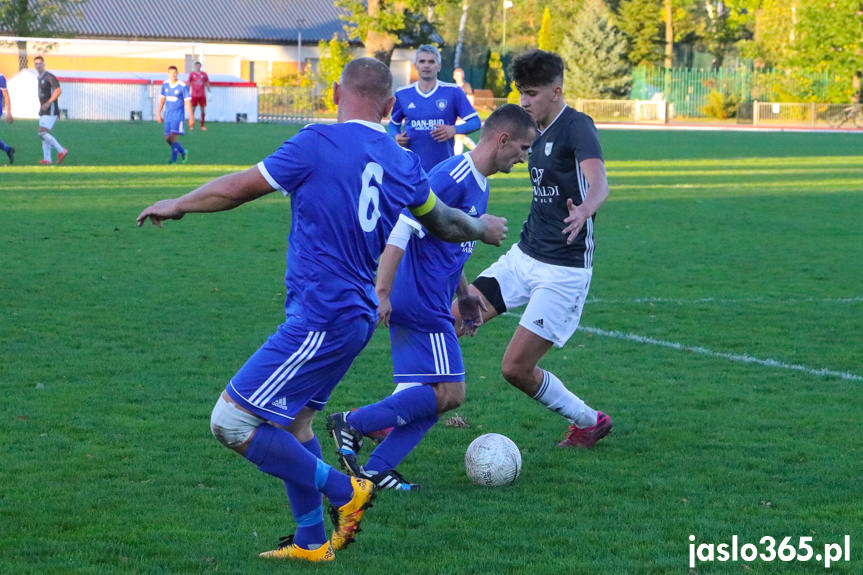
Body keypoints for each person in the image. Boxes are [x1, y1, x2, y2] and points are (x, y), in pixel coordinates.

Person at [137, 57, 507, 562]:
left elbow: (241, 187)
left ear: (337, 92)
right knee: (296, 428)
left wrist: (178, 202)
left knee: (231, 422)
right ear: (391, 106)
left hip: (322, 315)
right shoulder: (404, 164)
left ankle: (345, 490)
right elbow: (443, 222)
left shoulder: (317, 142)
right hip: (354, 319)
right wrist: (480, 227)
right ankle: (313, 541)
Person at [327, 104, 537, 491]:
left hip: (432, 296)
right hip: (419, 299)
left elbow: (450, 245)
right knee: (451, 393)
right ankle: (351, 423)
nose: (524, 158)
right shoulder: (453, 175)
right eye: (523, 148)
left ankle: (376, 469)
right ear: (503, 139)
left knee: (436, 396)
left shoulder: (481, 183)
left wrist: (465, 293)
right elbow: (402, 227)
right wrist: (383, 291)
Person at [451, 49, 614, 448]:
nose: (525, 102)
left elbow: (600, 183)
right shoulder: (532, 132)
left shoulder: (577, 126)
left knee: (515, 368)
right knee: (452, 317)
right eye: (521, 93)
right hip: (524, 257)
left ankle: (589, 421)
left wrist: (584, 212)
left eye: (533, 94)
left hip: (564, 270)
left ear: (557, 91)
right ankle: (400, 411)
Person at [387, 45, 481, 172]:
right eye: (422, 61)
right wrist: (396, 136)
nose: (426, 65)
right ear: (416, 65)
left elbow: (475, 122)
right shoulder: (403, 93)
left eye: (431, 62)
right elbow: (393, 125)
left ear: (439, 66)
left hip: (443, 169)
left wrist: (454, 129)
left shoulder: (453, 91)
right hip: (411, 168)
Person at [33, 56, 68, 165]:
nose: (38, 65)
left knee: (42, 132)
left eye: (40, 63)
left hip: (50, 109)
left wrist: (49, 102)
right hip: (43, 109)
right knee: (44, 136)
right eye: (36, 63)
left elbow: (58, 90)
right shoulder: (39, 77)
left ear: (44, 64)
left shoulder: (49, 77)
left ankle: (61, 151)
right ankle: (47, 159)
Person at [157, 66, 193, 164]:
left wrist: (191, 117)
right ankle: (183, 151)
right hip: (168, 115)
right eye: (171, 73)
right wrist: (158, 113)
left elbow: (188, 102)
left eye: (174, 73)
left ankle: (173, 160)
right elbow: (162, 99)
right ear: (168, 74)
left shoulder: (183, 86)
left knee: (173, 137)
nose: (173, 75)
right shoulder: (165, 85)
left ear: (177, 73)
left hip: (178, 116)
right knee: (168, 139)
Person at [452, 67, 477, 155]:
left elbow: (471, 99)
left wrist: (468, 113)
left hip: (463, 116)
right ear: (454, 76)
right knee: (459, 137)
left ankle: (456, 157)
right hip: (455, 116)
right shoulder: (454, 88)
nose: (459, 77)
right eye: (457, 75)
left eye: (461, 75)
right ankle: (477, 150)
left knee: (459, 136)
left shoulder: (466, 86)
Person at [188, 61, 211, 130]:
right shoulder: (192, 74)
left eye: (199, 66)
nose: (198, 67)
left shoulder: (204, 74)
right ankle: (191, 125)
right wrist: (187, 91)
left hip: (202, 95)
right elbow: (189, 82)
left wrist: (209, 92)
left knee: (203, 110)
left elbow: (207, 82)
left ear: (200, 66)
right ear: (195, 66)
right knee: (192, 110)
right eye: (196, 66)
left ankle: (202, 125)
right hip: (194, 95)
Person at [0, 72, 14, 164]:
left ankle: (8, 149)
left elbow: (6, 95)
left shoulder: (1, 77)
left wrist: (9, 112)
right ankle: (8, 149)